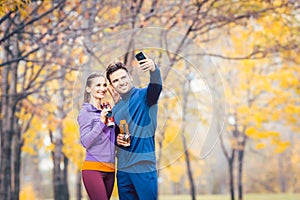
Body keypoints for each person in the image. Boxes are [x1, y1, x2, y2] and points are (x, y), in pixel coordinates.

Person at [106, 54, 162, 200]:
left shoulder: (145, 96)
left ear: (130, 77)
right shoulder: (116, 108)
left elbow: (156, 87)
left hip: (143, 166)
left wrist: (154, 70)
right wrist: (117, 139)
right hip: (123, 171)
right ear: (112, 86)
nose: (121, 82)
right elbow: (115, 140)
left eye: (123, 77)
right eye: (115, 80)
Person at [77, 73, 116, 200]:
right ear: (89, 89)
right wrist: (101, 122)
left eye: (104, 85)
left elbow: (111, 140)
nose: (102, 88)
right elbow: (85, 142)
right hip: (93, 169)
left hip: (110, 169)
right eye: (98, 85)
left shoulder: (108, 110)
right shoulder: (85, 113)